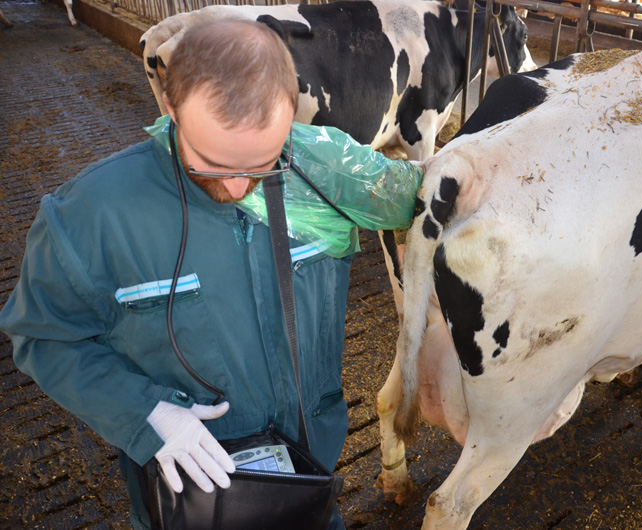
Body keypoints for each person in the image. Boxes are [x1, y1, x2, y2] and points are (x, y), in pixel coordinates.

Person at [0, 19, 423, 530]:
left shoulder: (324, 169)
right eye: (214, 164)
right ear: (171, 109)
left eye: (263, 163)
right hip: (190, 501)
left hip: (310, 482)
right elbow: (43, 337)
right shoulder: (88, 218)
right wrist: (144, 414)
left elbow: (439, 195)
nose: (241, 186)